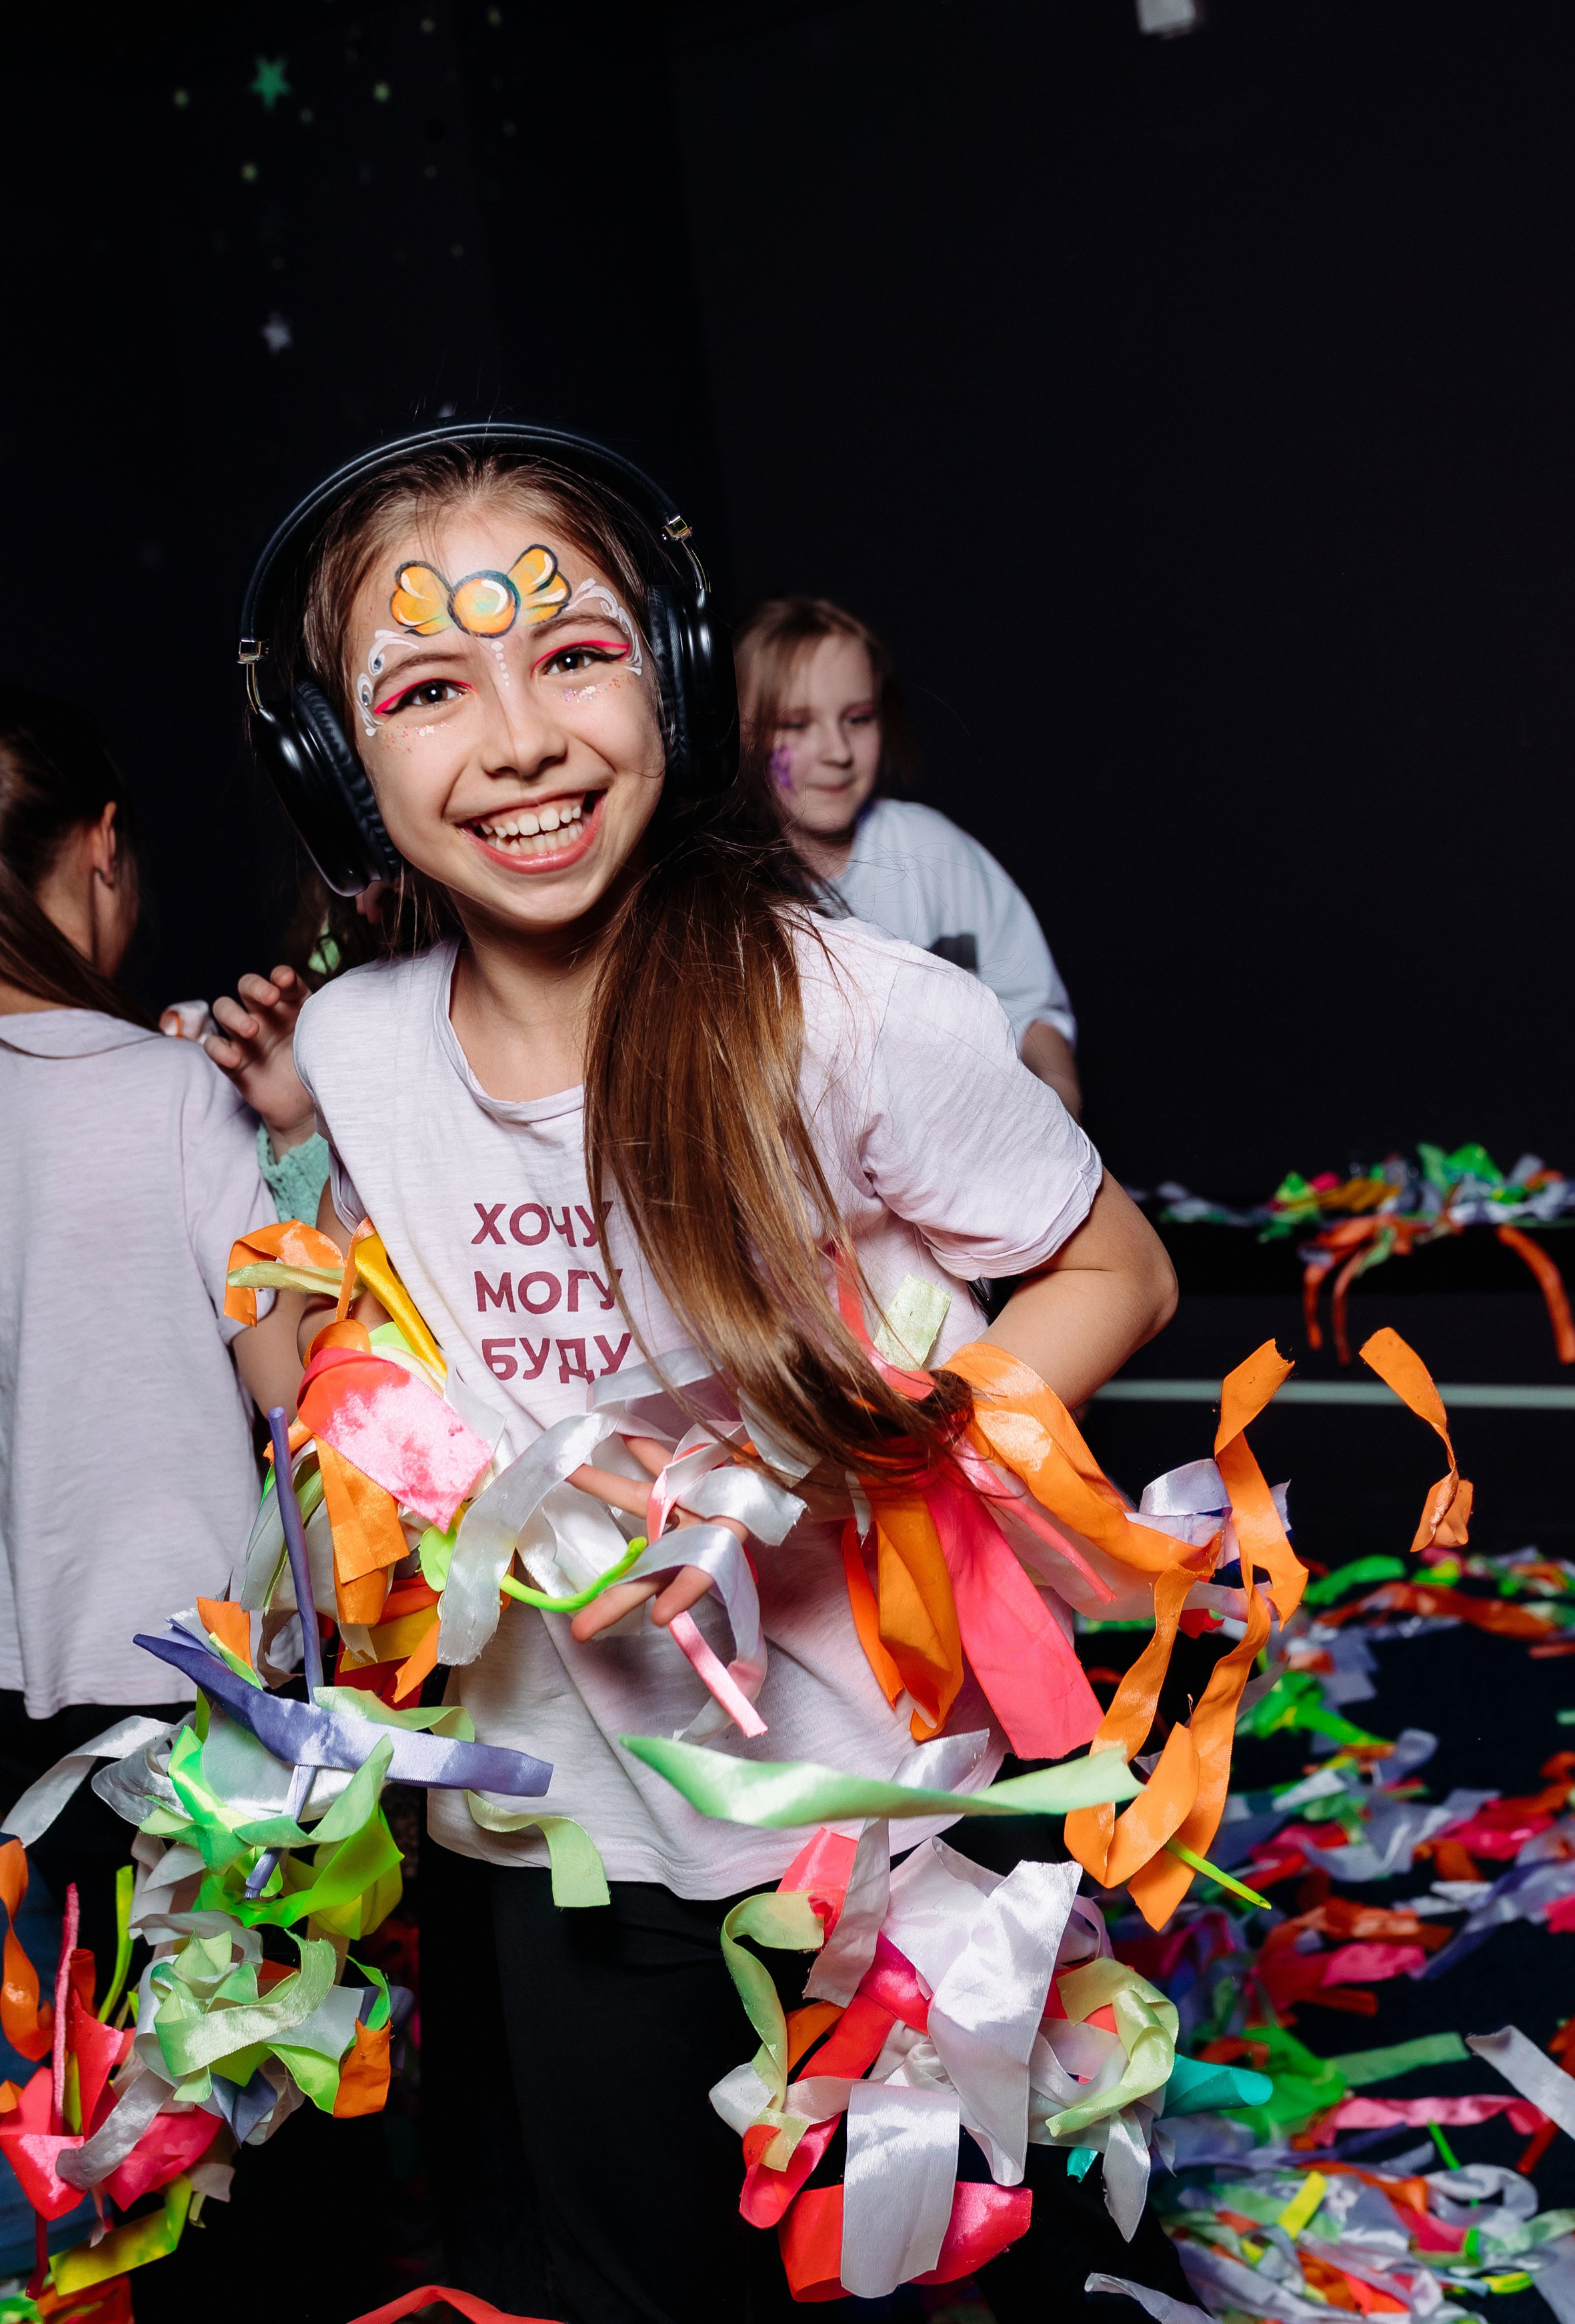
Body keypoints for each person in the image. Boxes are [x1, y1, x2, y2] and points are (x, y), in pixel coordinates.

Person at [210, 431, 1179, 2324]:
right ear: (339, 763)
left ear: (664, 670)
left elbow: (1116, 1268)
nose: (518, 739)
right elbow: (326, 1369)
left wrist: (815, 1465)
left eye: (570, 653)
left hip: (876, 1824)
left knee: (947, 2276)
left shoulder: (855, 1007)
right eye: (424, 689)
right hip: (559, 1841)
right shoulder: (354, 1046)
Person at [0, 688, 305, 1989]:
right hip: (194, 1683)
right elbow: (295, 1387)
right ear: (102, 844)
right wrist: (293, 1139)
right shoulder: (179, 1093)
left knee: (75, 2097)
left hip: (21, 1699)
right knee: (242, 2107)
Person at [736, 594, 1083, 1115]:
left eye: (857, 718)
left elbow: (1030, 1011)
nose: (837, 752)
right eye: (795, 724)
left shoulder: (933, 852)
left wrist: (1059, 1108)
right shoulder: (725, 889)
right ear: (738, 734)